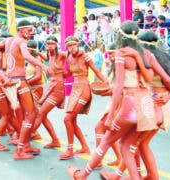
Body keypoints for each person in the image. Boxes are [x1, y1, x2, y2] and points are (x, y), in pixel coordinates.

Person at [66, 21, 154, 179]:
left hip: (129, 104)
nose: (110, 56)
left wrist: (112, 115)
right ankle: (138, 176)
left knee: (108, 139)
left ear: (120, 35)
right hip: (145, 104)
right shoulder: (144, 54)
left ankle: (83, 175)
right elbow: (151, 78)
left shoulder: (122, 54)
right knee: (132, 145)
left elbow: (119, 86)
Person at [100, 30, 170, 180]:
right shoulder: (158, 57)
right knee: (137, 143)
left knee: (133, 143)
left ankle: (139, 176)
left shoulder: (147, 57)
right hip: (155, 103)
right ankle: (143, 175)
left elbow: (169, 82)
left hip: (154, 103)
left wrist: (166, 96)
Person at [59, 36, 107, 160]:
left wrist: (108, 83)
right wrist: (56, 73)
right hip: (75, 89)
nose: (71, 48)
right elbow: (69, 73)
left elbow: (96, 71)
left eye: (74, 45)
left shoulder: (85, 56)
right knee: (72, 120)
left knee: (67, 119)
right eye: (69, 46)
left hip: (84, 88)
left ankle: (70, 149)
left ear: (78, 44)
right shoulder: (69, 57)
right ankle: (85, 147)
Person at [7, 20, 46, 160]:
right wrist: (44, 66)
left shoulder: (10, 41)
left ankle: (26, 145)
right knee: (31, 114)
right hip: (19, 80)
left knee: (27, 114)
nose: (31, 33)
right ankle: (19, 150)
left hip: (13, 80)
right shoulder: (21, 42)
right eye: (29, 31)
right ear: (22, 30)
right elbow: (27, 56)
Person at [32, 35, 66, 149]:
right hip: (50, 87)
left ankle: (27, 136)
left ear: (56, 44)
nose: (49, 46)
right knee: (43, 114)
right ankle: (55, 140)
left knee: (41, 113)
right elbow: (36, 54)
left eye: (52, 44)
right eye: (47, 44)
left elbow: (72, 55)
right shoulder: (48, 56)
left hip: (58, 88)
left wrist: (65, 75)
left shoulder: (61, 54)